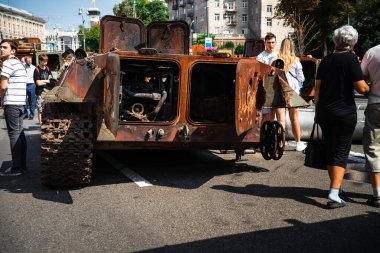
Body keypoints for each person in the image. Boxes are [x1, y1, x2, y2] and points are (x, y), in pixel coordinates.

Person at [314, 25, 370, 208]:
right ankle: (334, 194)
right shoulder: (350, 60)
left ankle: (335, 187)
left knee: (331, 148)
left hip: (324, 111)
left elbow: (317, 89)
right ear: (353, 42)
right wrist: (370, 87)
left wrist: (317, 109)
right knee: (340, 151)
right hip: (343, 112)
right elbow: (361, 88)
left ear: (336, 41)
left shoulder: (326, 60)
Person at [0, 39, 28, 176]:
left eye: (5, 47)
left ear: (13, 51)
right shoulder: (19, 63)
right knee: (19, 133)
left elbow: (3, 86)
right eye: (0, 47)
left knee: (13, 134)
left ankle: (16, 168)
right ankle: (21, 166)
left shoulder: (8, 63)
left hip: (12, 103)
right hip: (20, 103)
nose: (1, 49)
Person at [277, 38, 307, 152]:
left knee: (281, 119)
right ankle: (298, 143)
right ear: (291, 47)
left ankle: (280, 142)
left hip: (280, 90)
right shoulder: (295, 60)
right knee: (294, 119)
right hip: (292, 92)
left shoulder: (277, 59)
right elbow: (301, 78)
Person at [361, 43, 380, 207]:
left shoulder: (372, 53)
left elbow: (361, 80)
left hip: (375, 104)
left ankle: (377, 194)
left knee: (374, 149)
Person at [256, 33, 286, 129]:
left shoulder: (279, 55)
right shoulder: (260, 57)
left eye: (273, 42)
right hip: (267, 89)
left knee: (280, 116)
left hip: (278, 89)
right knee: (267, 117)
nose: (271, 45)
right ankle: (265, 137)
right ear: (265, 43)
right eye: (269, 42)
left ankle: (279, 140)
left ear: (276, 43)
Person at [34, 54, 52, 125]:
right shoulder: (37, 70)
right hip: (40, 92)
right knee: (40, 109)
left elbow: (50, 79)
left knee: (48, 108)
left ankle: (47, 122)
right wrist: (47, 81)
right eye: (44, 61)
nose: (45, 63)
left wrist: (44, 81)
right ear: (40, 61)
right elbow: (38, 83)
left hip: (48, 91)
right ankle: (41, 123)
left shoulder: (47, 69)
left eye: (46, 61)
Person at [23, 55, 36, 120]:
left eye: (30, 60)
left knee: (32, 101)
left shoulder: (34, 68)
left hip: (32, 85)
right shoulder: (22, 67)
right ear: (25, 61)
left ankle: (32, 114)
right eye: (28, 60)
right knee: (24, 100)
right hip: (24, 85)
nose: (29, 62)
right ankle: (25, 114)